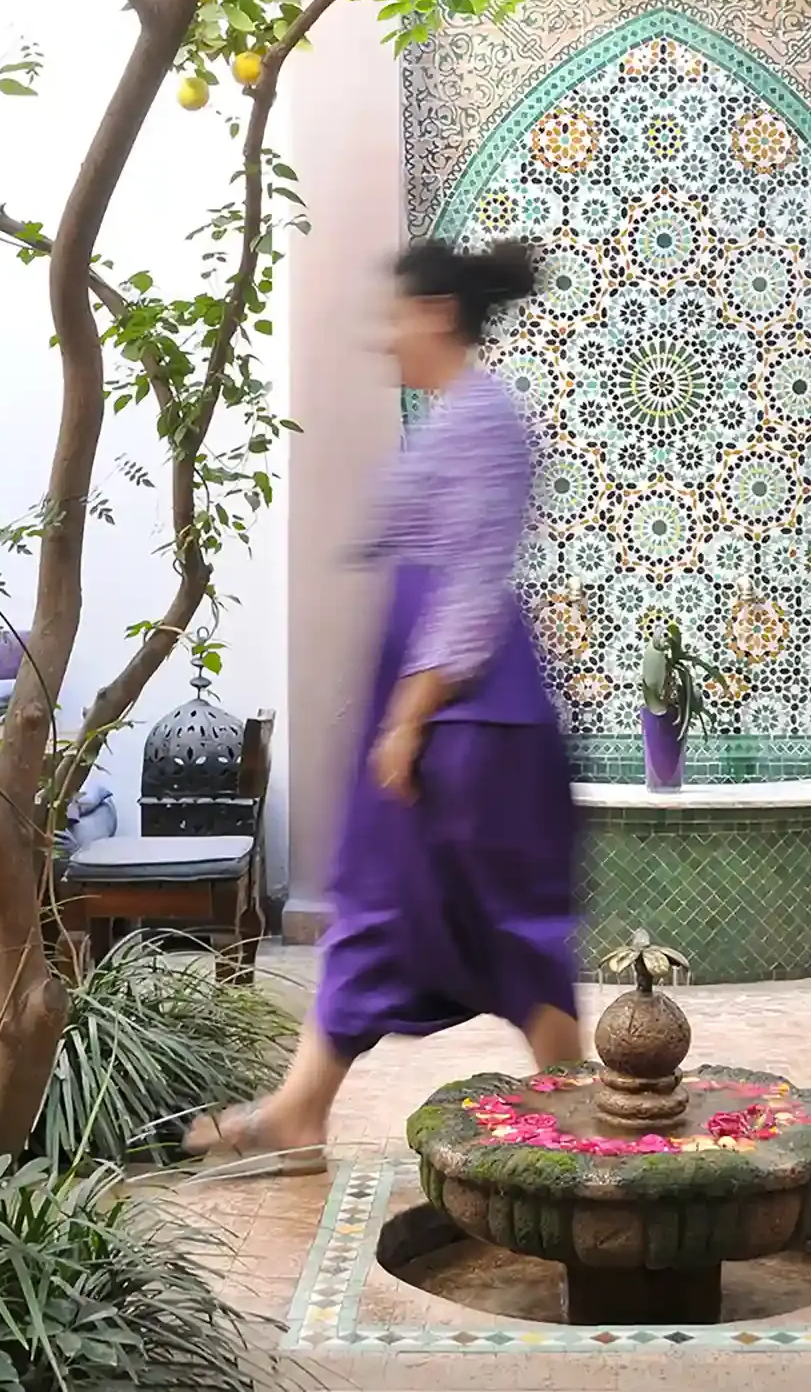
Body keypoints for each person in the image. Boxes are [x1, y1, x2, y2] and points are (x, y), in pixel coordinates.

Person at [186, 237, 580, 1168]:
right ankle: (298, 1113)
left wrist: (410, 718)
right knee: (395, 909)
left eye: (396, 315)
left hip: (466, 722)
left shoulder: (481, 419)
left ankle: (574, 1122)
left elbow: (473, 583)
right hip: (448, 713)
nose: (383, 338)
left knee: (499, 923)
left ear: (435, 314)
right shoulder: (457, 416)